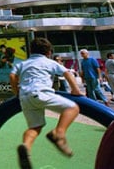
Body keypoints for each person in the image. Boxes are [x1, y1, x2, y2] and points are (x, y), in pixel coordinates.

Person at [10, 38, 83, 169]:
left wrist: (16, 92)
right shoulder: (49, 62)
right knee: (73, 108)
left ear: (30, 51)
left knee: (35, 127)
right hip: (42, 93)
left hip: (25, 97)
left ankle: (26, 146)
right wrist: (75, 90)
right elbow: (67, 73)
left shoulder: (23, 63)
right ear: (49, 52)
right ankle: (58, 133)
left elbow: (12, 76)